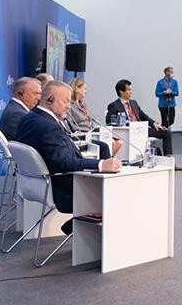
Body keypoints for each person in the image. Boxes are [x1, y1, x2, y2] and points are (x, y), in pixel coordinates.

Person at [17, 81, 122, 234]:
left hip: (37, 184)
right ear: (50, 100)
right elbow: (63, 163)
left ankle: (79, 224)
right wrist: (101, 165)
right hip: (63, 189)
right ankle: (81, 226)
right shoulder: (49, 126)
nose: (68, 106)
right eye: (65, 101)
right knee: (118, 188)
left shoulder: (28, 119)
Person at [106, 79, 177, 161]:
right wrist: (125, 123)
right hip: (129, 131)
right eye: (128, 90)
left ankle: (168, 159)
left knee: (166, 132)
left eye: (131, 90)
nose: (131, 92)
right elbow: (109, 121)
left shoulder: (134, 103)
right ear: (121, 91)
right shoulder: (114, 105)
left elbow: (144, 116)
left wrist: (154, 124)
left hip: (141, 129)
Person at [68, 78, 123, 156]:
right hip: (83, 134)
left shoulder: (83, 105)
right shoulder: (69, 105)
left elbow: (90, 121)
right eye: (84, 88)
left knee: (119, 142)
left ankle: (107, 158)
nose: (86, 91)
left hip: (91, 131)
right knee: (111, 142)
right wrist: (84, 131)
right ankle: (107, 160)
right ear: (77, 88)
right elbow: (71, 125)